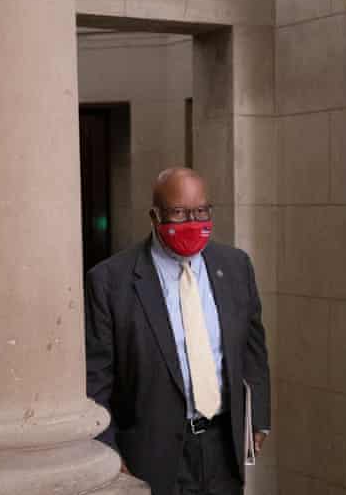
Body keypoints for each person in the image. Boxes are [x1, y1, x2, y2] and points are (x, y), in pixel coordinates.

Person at [85, 167, 271, 495]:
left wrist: (257, 416)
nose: (192, 222)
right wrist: (108, 451)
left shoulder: (236, 266)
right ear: (155, 217)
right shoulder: (109, 282)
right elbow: (95, 379)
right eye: (179, 212)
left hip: (223, 448)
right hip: (150, 453)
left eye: (201, 211)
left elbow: (252, 350)